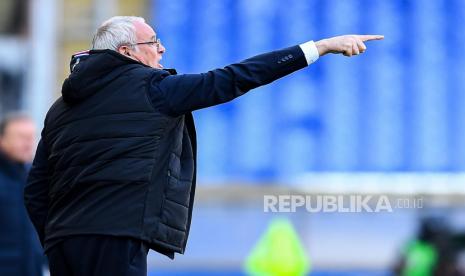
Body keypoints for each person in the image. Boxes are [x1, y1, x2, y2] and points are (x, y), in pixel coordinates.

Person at [24, 16, 383, 275]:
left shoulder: (61, 108)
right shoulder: (153, 89)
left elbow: (35, 191)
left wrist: (57, 235)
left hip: (62, 241)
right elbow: (233, 78)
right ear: (127, 51)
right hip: (118, 237)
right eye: (153, 42)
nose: (162, 48)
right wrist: (318, 47)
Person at [0, 113, 44, 276]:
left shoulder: (34, 178)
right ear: (2, 139)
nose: (28, 143)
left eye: (31, 137)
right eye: (21, 137)